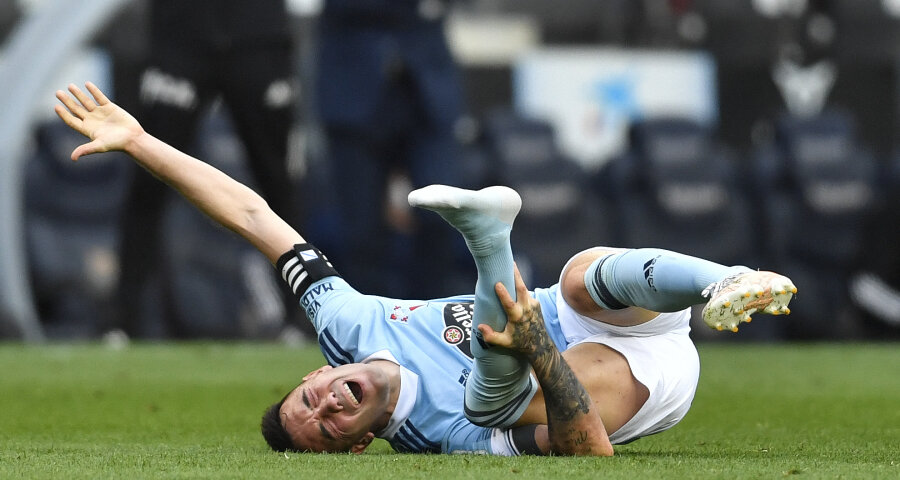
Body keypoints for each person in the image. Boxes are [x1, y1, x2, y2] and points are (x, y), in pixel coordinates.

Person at [55, 83, 797, 456]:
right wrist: (538, 350)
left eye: (306, 398)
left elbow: (254, 217)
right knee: (490, 407)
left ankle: (720, 280)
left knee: (575, 275)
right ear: (355, 444)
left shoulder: (344, 326)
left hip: (595, 312)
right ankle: (489, 247)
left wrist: (142, 141)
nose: (326, 404)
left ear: (309, 375)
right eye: (326, 426)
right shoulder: (439, 436)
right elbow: (587, 450)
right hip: (634, 383)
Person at [113, 0, 300, 337]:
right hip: (182, 34)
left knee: (277, 182)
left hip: (258, 34)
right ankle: (121, 321)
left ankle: (299, 317)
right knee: (146, 175)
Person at [313, 0, 470, 299]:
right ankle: (370, 330)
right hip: (353, 84)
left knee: (443, 216)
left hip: (427, 85)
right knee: (361, 232)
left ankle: (433, 320)